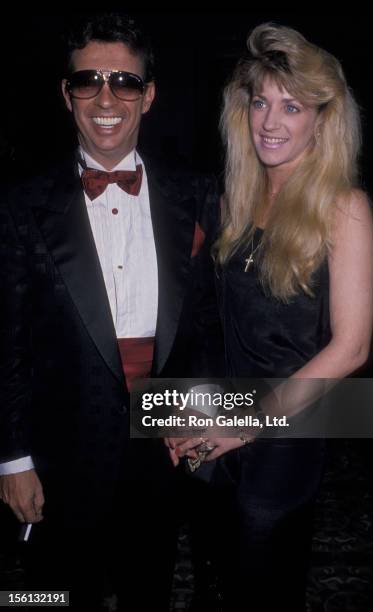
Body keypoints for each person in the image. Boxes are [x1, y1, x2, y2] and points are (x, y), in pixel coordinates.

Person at [0, 12, 222, 611]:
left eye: (124, 83)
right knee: (52, 593)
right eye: (88, 80)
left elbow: (205, 326)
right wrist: (13, 458)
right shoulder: (21, 205)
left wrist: (202, 424)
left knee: (149, 588)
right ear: (65, 92)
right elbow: (7, 343)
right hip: (58, 451)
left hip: (162, 445)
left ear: (147, 96)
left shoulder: (198, 196)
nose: (106, 98)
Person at [169, 23, 373, 611]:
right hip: (222, 418)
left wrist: (246, 425)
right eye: (261, 101)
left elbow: (353, 348)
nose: (270, 121)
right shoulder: (234, 195)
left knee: (262, 586)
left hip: (284, 437)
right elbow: (210, 318)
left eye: (292, 106)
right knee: (214, 575)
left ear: (322, 118)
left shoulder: (345, 208)